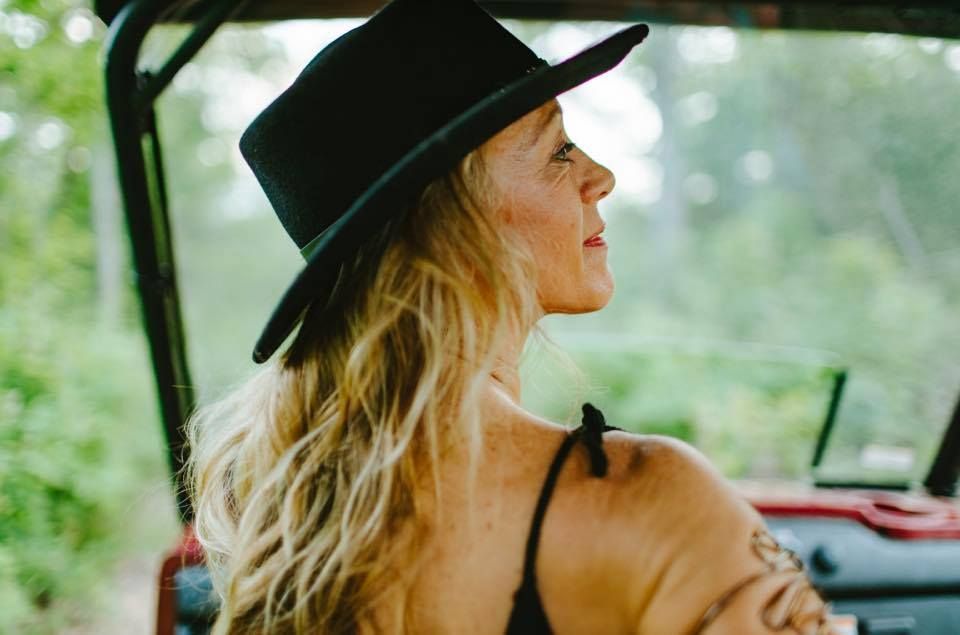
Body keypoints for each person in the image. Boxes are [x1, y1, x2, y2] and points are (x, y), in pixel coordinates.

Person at [187, 0, 838, 632]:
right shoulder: (650, 500)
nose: (601, 175)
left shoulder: (276, 508)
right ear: (452, 225)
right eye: (559, 151)